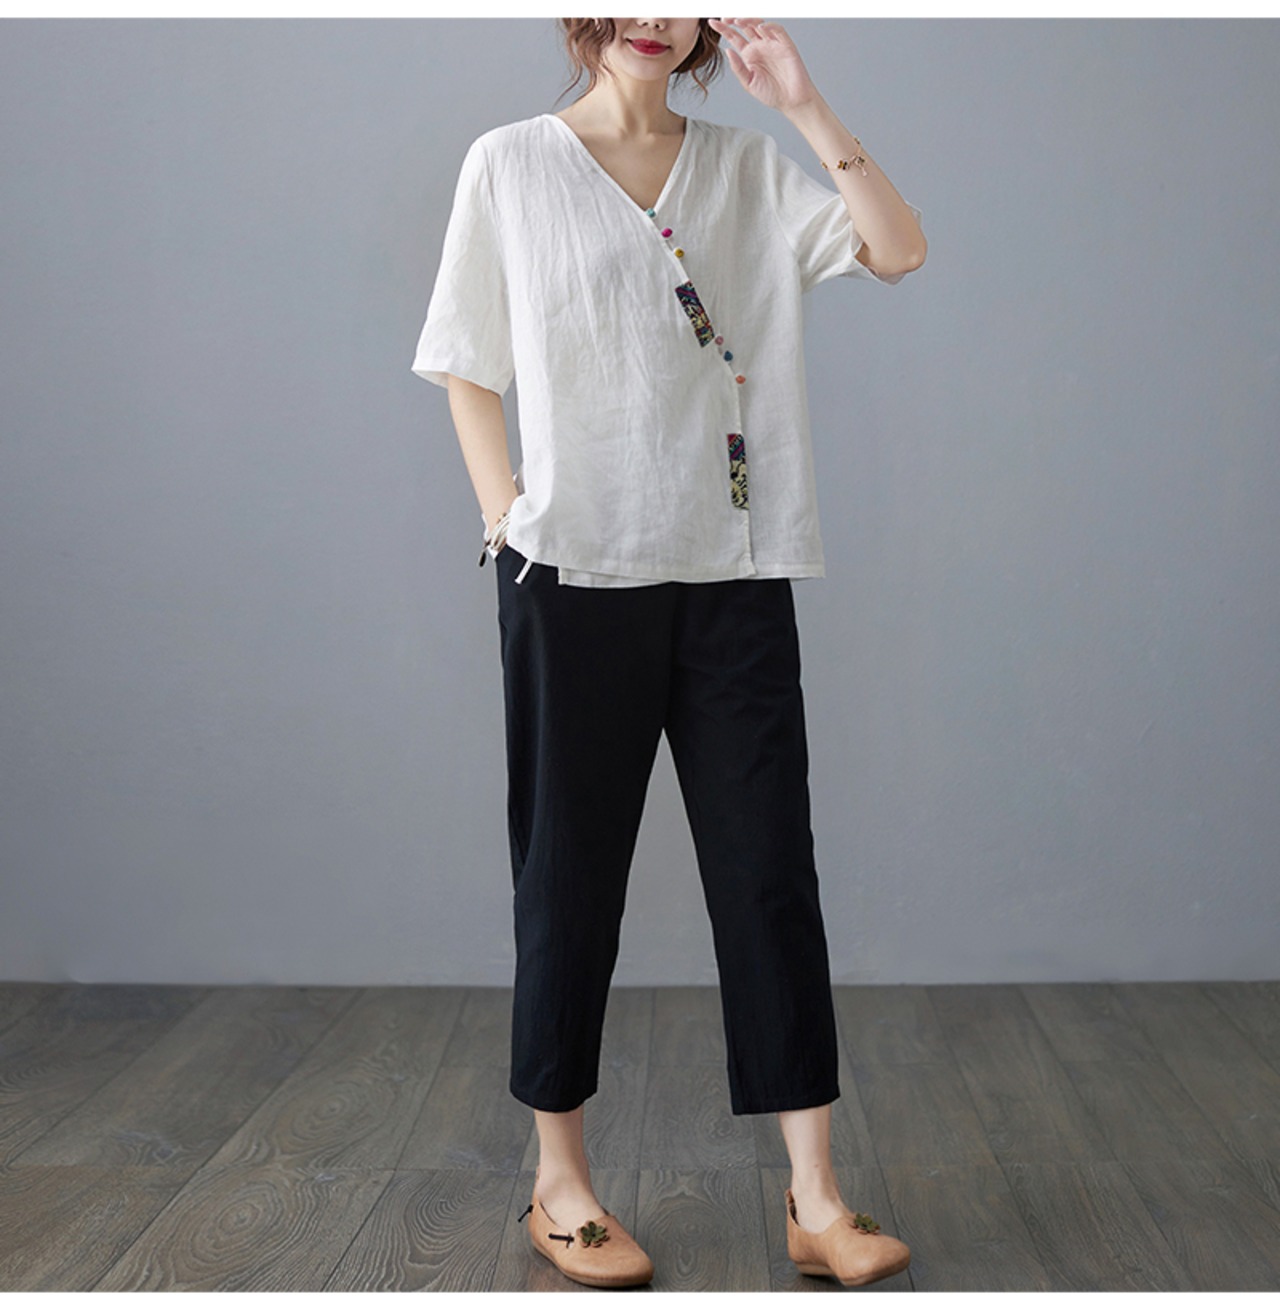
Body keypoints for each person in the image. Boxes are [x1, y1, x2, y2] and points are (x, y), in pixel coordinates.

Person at [412, 16, 925, 1291]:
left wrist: (801, 103)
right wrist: (505, 520)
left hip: (734, 571)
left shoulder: (746, 168)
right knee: (568, 876)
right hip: (571, 578)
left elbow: (896, 249)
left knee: (768, 875)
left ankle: (813, 1195)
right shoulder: (510, 162)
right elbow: (464, 358)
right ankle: (560, 1183)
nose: (651, 13)